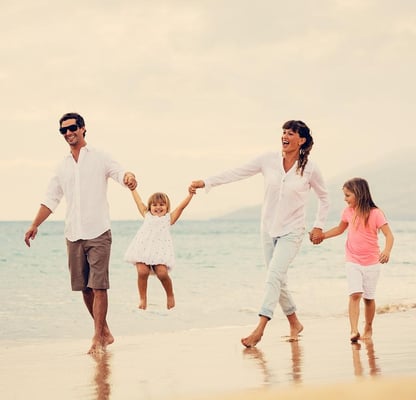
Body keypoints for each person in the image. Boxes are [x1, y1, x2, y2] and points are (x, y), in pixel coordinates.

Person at [191, 120, 329, 347]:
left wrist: (319, 225)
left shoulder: (310, 169)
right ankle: (295, 322)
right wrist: (207, 182)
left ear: (301, 140)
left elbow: (325, 198)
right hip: (268, 229)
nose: (285, 136)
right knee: (278, 279)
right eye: (283, 132)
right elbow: (237, 172)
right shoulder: (268, 160)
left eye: (291, 133)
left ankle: (260, 328)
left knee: (273, 276)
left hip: (293, 231)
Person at [24, 112, 137, 355]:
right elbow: (50, 199)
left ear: (83, 128)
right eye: (63, 130)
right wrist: (35, 225)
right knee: (84, 288)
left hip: (98, 231)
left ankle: (97, 337)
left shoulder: (100, 157)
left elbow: (120, 173)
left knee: (99, 287)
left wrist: (128, 177)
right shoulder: (62, 166)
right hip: (73, 234)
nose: (68, 133)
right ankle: (105, 331)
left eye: (72, 128)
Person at [313, 177, 394, 342]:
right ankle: (353, 330)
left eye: (348, 195)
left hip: (372, 262)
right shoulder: (348, 212)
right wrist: (322, 236)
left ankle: (368, 327)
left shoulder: (375, 213)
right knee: (355, 294)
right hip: (353, 260)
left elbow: (389, 235)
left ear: (359, 194)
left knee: (369, 298)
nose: (345, 199)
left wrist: (386, 250)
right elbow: (339, 229)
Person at [124, 187, 195, 310]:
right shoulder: (147, 215)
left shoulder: (169, 218)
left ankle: (170, 295)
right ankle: (143, 298)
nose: (158, 207)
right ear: (149, 207)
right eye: (154, 205)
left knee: (162, 274)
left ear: (167, 207)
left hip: (160, 252)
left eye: (162, 205)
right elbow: (138, 201)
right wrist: (133, 189)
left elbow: (181, 207)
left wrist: (190, 195)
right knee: (142, 272)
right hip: (142, 249)